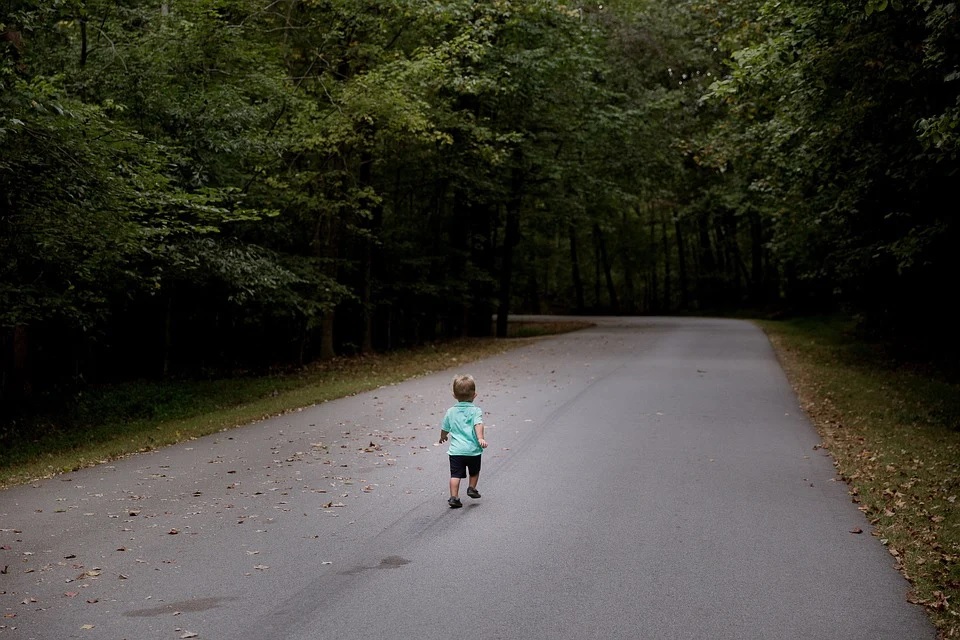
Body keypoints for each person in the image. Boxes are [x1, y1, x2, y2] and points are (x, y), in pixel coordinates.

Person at [439, 374, 488, 508]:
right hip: (472, 450)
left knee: (455, 475)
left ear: (454, 395)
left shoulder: (450, 411)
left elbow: (445, 427)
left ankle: (454, 497)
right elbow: (478, 424)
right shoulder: (476, 411)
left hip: (456, 451)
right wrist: (480, 438)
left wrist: (443, 436)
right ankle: (471, 488)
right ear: (474, 395)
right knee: (474, 471)